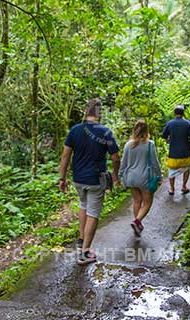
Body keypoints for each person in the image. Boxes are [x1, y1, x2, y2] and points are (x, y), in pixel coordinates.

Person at [58, 98, 120, 265]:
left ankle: (81, 240)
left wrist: (62, 178)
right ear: (100, 114)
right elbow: (115, 157)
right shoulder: (105, 132)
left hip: (78, 179)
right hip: (95, 179)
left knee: (83, 206)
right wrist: (115, 174)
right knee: (94, 213)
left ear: (86, 112)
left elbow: (65, 156)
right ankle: (85, 253)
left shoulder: (75, 130)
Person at [118, 119, 162, 237]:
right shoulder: (149, 144)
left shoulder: (129, 144)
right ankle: (137, 221)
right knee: (147, 202)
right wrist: (159, 175)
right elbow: (154, 162)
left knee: (137, 201)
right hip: (145, 178)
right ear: (146, 130)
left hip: (131, 178)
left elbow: (124, 162)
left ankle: (138, 225)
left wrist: (120, 175)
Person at [162, 105, 190, 195]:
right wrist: (189, 144)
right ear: (183, 113)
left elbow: (164, 136)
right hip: (186, 153)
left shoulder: (170, 123)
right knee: (186, 169)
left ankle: (172, 189)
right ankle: (184, 186)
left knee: (172, 170)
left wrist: (168, 140)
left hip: (173, 153)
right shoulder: (188, 123)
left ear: (174, 113)